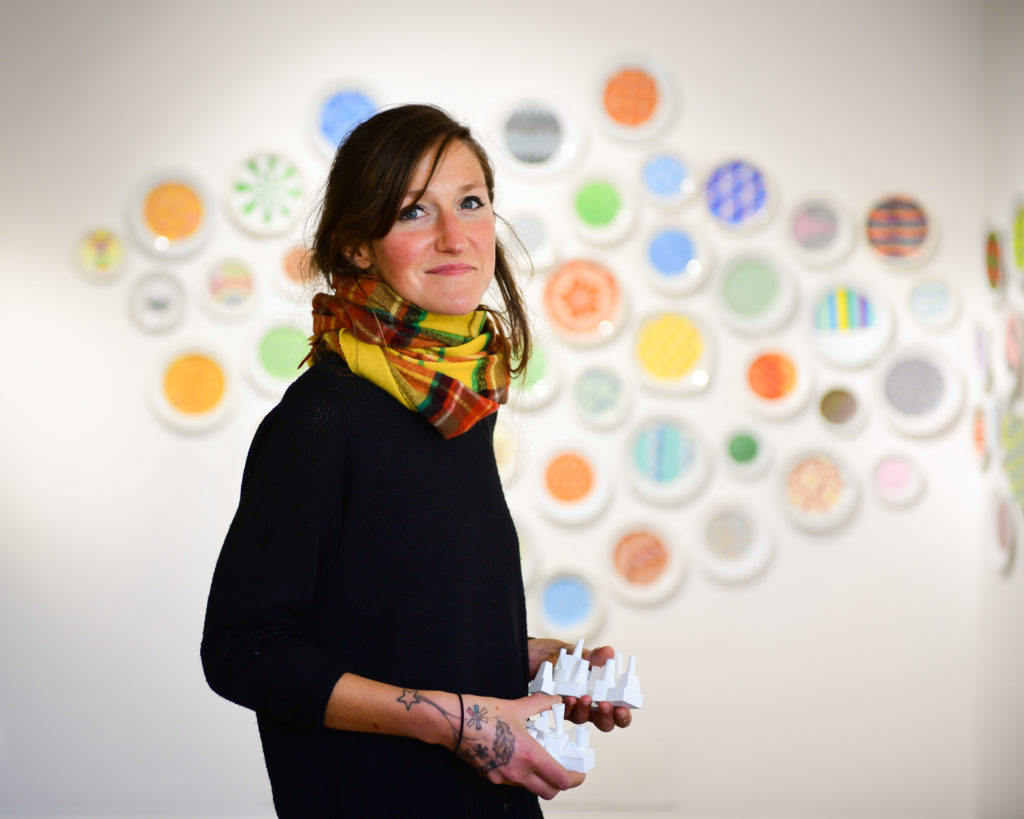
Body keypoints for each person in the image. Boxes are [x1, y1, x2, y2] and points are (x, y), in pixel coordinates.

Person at [201, 103, 632, 818]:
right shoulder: (323, 418)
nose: (455, 237)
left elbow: (396, 620)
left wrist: (523, 658)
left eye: (471, 202)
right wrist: (457, 722)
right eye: (413, 212)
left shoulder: (459, 403)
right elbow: (243, 650)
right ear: (356, 246)